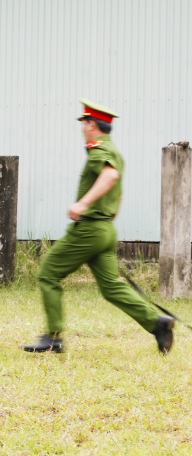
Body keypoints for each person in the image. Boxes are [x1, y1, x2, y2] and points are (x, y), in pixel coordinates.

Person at [23, 99, 175, 354]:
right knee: (111, 287)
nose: (82, 128)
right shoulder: (114, 151)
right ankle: (157, 323)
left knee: (48, 273)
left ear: (91, 124)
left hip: (90, 230)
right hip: (104, 230)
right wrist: (106, 220)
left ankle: (54, 337)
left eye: (84, 123)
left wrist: (82, 204)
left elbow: (110, 177)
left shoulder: (98, 149)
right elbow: (119, 195)